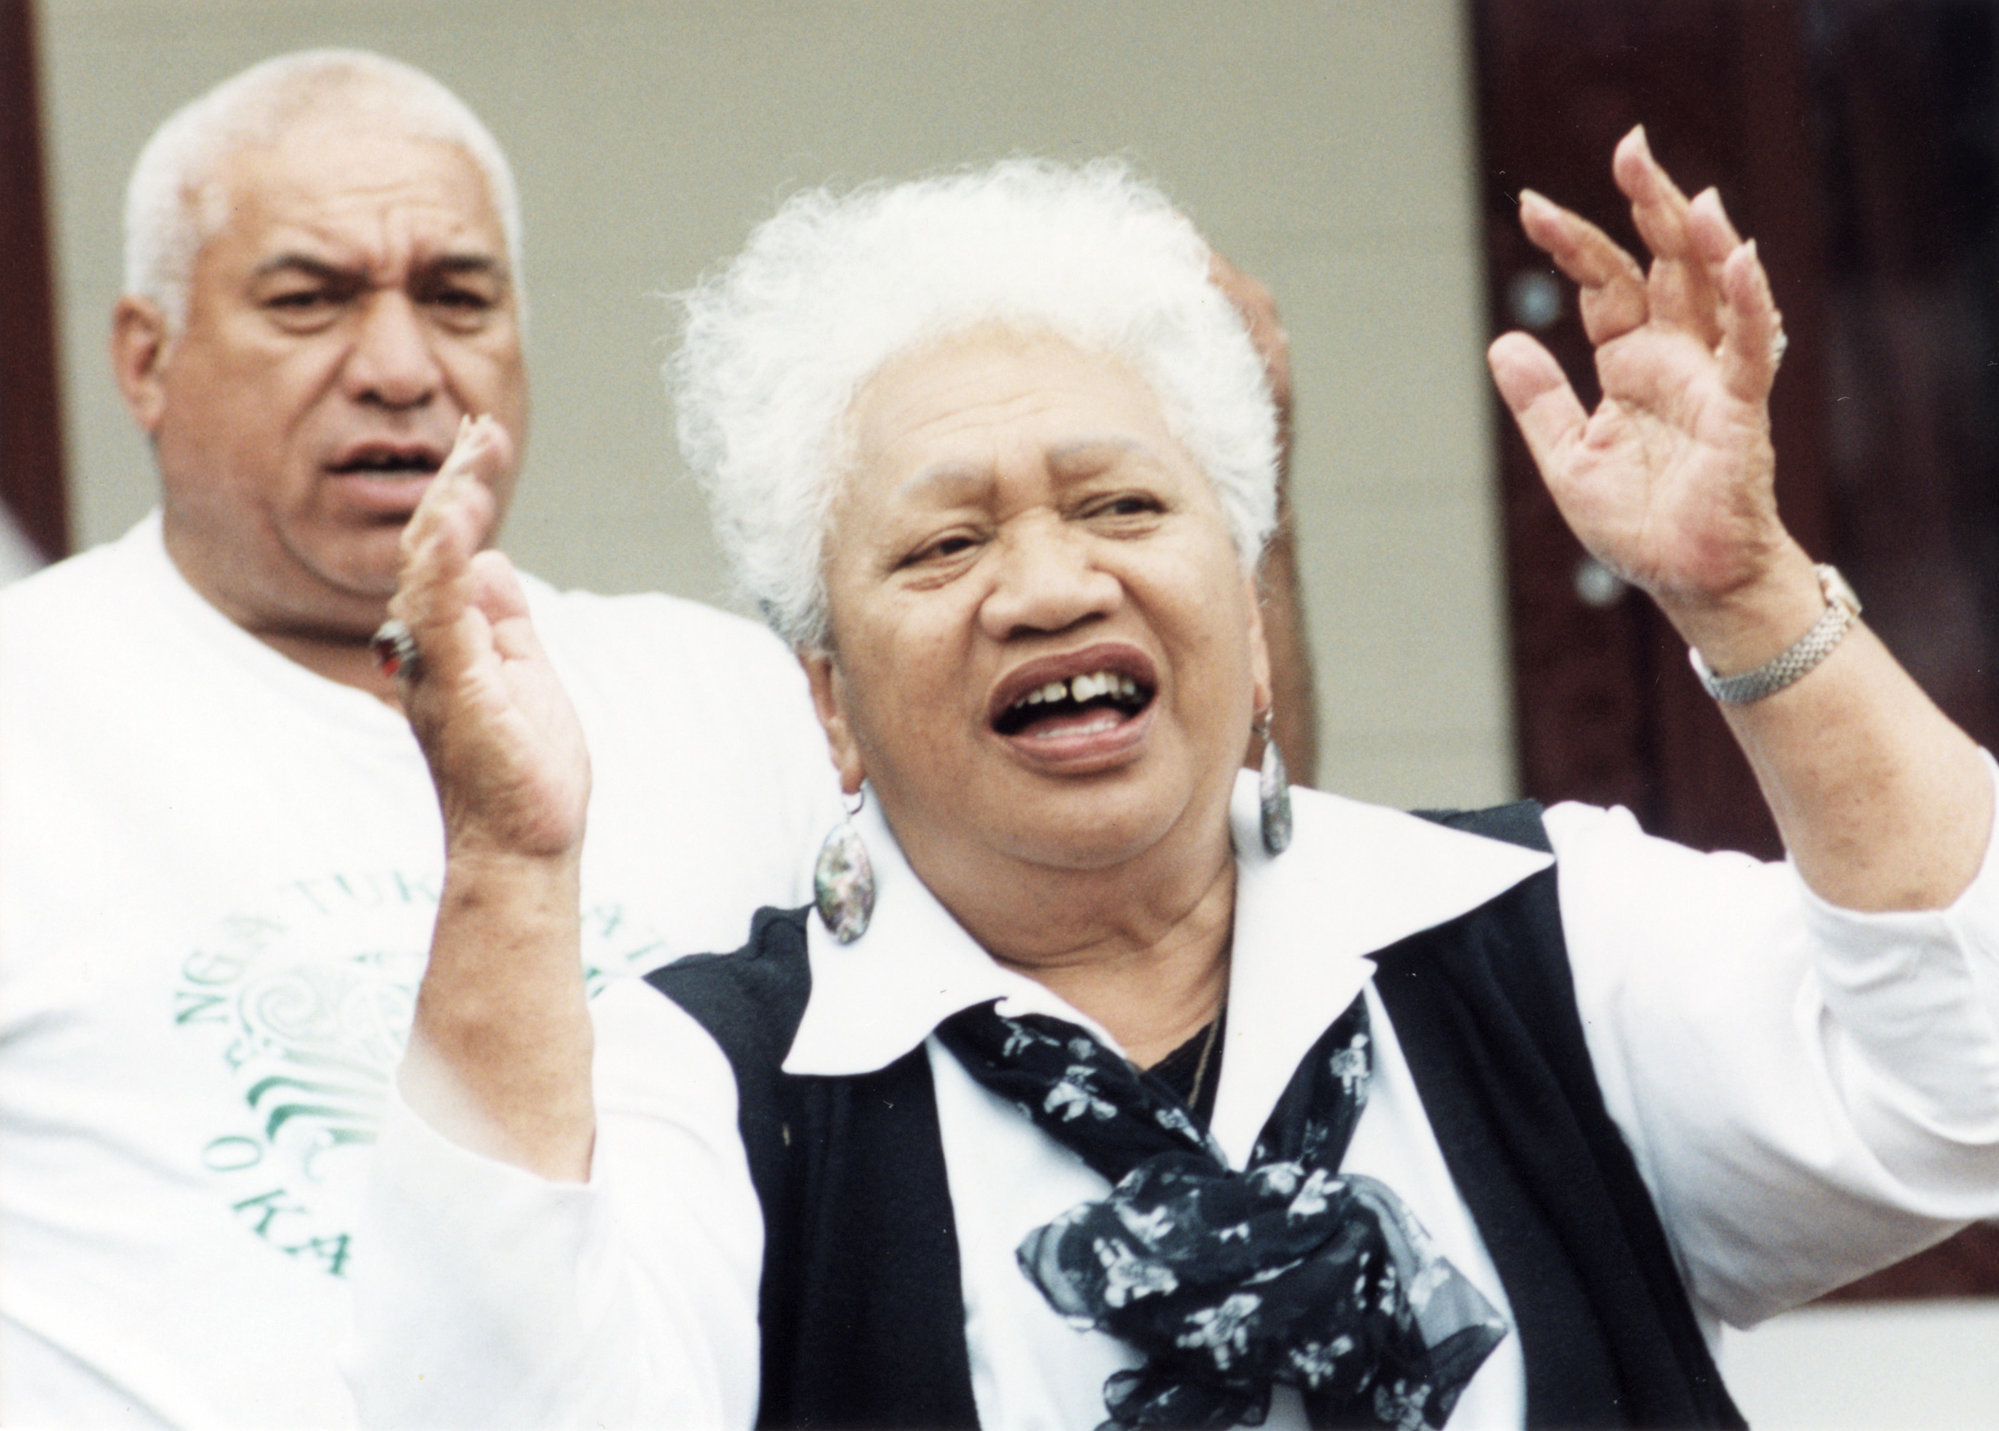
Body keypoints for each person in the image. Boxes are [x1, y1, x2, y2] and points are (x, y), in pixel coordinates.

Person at [348, 141, 1999, 1429]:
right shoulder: (717, 1079)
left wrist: (1753, 593)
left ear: (1256, 631)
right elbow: (504, 1406)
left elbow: (1959, 1076)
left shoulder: (1538, 932)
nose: (1051, 585)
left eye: (1126, 508)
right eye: (944, 541)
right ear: (829, 706)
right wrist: (502, 859)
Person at [0, 50, 849, 1429]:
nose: (401, 369)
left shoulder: (726, 695)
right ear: (146, 361)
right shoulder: (26, 708)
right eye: (308, 301)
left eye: (456, 298)